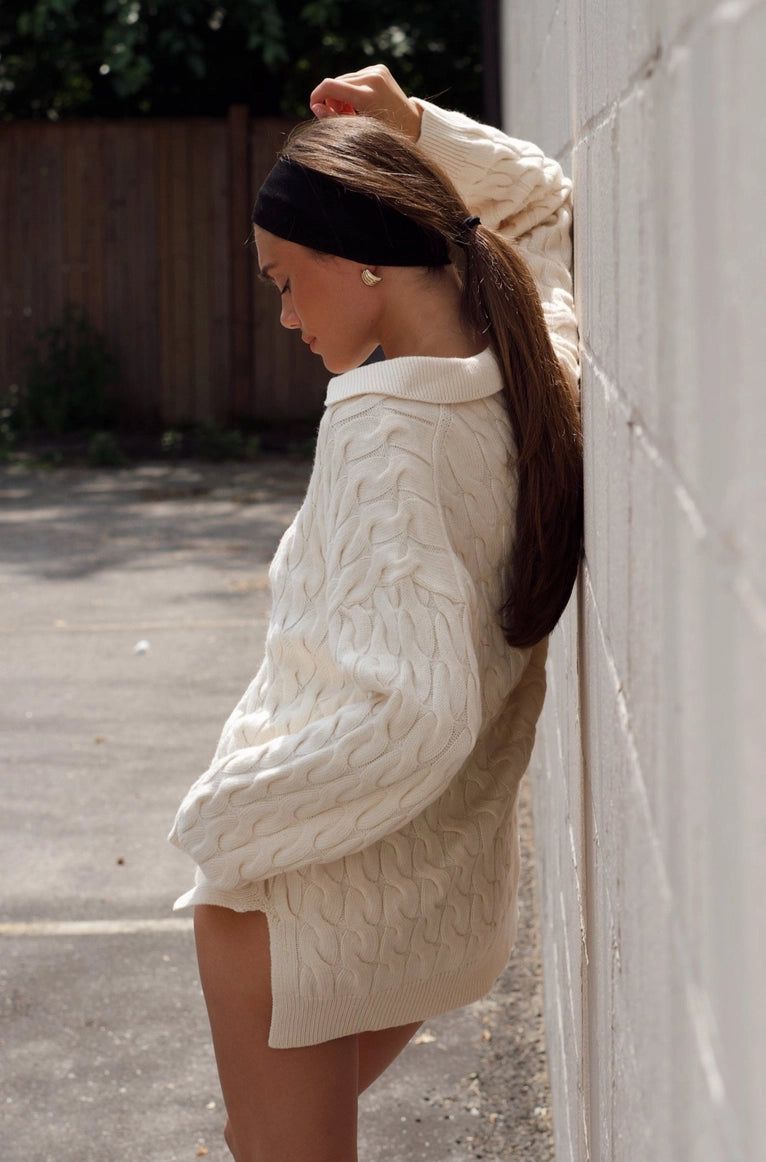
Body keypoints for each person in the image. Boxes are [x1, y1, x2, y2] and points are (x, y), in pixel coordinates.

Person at [169, 64, 582, 1162]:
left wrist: (224, 817)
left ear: (367, 261)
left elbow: (417, 712)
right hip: (401, 883)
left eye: (285, 281)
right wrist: (415, 128)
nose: (286, 314)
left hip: (290, 900)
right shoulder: (535, 363)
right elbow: (537, 201)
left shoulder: (381, 432)